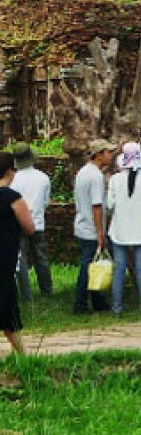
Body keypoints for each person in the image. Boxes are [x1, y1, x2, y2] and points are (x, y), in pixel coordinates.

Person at [107, 142, 141, 317]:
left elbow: (109, 205)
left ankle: (117, 307)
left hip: (119, 231)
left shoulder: (115, 180)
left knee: (119, 269)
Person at [72, 138, 115, 315]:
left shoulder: (83, 172)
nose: (111, 156)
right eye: (108, 152)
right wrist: (100, 233)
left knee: (93, 265)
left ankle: (97, 300)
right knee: (88, 267)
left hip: (82, 224)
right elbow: (96, 206)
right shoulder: (96, 177)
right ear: (99, 155)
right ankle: (80, 303)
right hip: (91, 228)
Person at [0, 152, 35, 354]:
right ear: (9, 172)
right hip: (5, 257)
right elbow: (29, 227)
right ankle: (21, 353)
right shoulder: (13, 197)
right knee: (7, 304)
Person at [10, 143, 52, 301]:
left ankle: (26, 294)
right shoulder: (43, 178)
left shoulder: (13, 179)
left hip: (18, 223)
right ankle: (47, 290)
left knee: (20, 259)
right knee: (41, 257)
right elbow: (46, 202)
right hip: (38, 222)